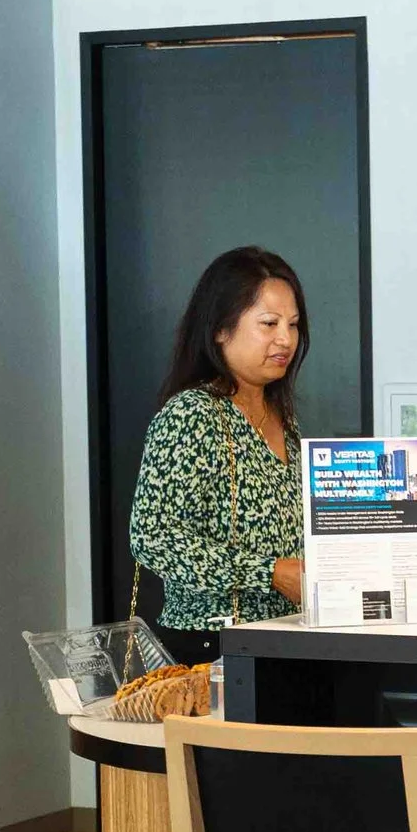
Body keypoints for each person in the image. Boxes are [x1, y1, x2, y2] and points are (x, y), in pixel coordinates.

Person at [128, 246, 311, 664]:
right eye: (268, 323)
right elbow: (153, 538)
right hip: (210, 647)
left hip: (285, 640)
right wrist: (268, 572)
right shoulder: (192, 414)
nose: (285, 339)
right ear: (220, 330)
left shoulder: (284, 417)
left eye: (293, 325)